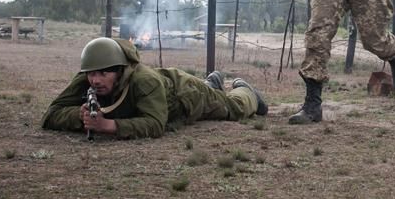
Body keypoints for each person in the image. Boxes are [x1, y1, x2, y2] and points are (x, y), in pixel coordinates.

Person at [41, 37, 267, 139]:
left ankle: (245, 90)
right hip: (163, 92)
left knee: (232, 109)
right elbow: (50, 114)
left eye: (104, 73)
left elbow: (155, 124)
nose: (96, 80)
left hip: (184, 94)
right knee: (213, 94)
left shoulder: (143, 81)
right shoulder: (87, 76)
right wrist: (79, 117)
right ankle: (212, 84)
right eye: (92, 73)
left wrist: (108, 125)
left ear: (120, 70)